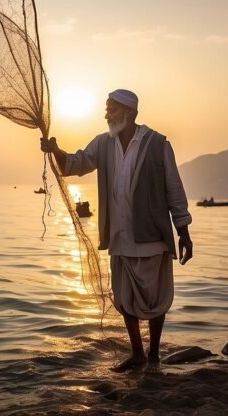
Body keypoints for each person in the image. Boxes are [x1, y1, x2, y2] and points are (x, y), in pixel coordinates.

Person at [41, 89, 193, 373]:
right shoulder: (103, 143)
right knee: (124, 297)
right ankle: (137, 353)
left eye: (112, 109)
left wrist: (183, 232)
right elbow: (74, 164)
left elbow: (174, 188)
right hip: (119, 237)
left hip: (152, 236)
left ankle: (154, 354)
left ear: (130, 112)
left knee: (156, 299)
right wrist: (56, 150)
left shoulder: (157, 144)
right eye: (106, 109)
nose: (106, 115)